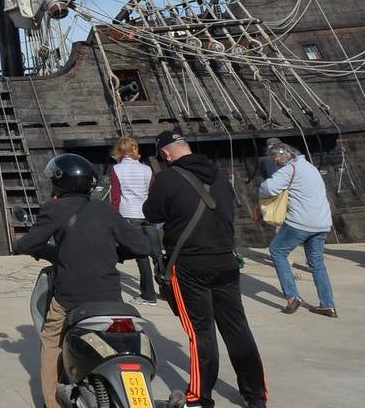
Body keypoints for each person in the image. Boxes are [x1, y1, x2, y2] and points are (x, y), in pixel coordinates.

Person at [13, 154, 152, 408]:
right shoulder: (106, 209)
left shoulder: (55, 208)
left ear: (59, 182)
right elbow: (142, 246)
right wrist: (113, 253)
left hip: (71, 297)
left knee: (51, 339)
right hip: (110, 297)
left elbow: (29, 244)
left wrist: (28, 247)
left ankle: (52, 402)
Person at [145, 131, 267, 408]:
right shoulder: (219, 175)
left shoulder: (167, 178)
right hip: (226, 258)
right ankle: (255, 394)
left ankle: (199, 396)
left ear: (165, 154)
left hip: (190, 262)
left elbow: (152, 213)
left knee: (201, 331)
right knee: (237, 328)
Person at [260, 142, 336, 317]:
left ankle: (292, 297)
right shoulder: (309, 167)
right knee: (316, 263)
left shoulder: (290, 170)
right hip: (322, 222)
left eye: (275, 158)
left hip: (301, 222)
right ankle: (328, 304)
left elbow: (268, 188)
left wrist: (261, 191)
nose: (275, 162)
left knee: (277, 250)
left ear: (282, 155)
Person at [107, 136, 159, 303]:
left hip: (129, 213)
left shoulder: (116, 170)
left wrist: (113, 218)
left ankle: (148, 294)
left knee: (140, 255)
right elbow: (152, 194)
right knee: (157, 254)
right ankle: (167, 290)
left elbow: (115, 197)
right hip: (147, 214)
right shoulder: (147, 169)